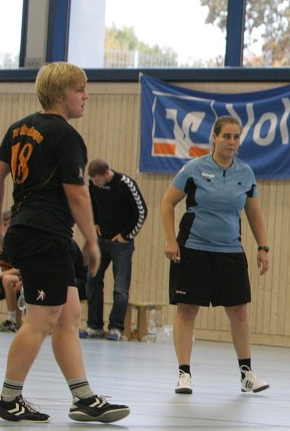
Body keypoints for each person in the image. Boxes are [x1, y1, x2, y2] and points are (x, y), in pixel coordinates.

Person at [0, 62, 130, 424]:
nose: (86, 96)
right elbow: (78, 193)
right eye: (80, 89)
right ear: (59, 93)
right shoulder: (65, 135)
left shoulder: (19, 128)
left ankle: (83, 397)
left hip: (33, 229)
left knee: (68, 314)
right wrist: (92, 241)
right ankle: (8, 398)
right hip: (44, 233)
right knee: (40, 320)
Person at [160, 115, 271, 396]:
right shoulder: (195, 169)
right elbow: (167, 202)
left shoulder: (245, 173)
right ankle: (184, 374)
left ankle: (246, 374)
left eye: (236, 137)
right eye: (226, 136)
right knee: (187, 311)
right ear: (214, 137)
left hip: (230, 251)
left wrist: (263, 246)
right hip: (193, 249)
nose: (232, 142)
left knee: (240, 312)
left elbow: (253, 212)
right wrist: (171, 240)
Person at [82, 159, 148, 340]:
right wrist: (95, 222)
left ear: (106, 174)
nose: (95, 184)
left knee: (120, 288)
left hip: (122, 244)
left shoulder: (125, 184)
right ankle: (94, 325)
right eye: (93, 181)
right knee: (93, 281)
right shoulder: (93, 184)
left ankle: (116, 327)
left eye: (97, 180)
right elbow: (91, 202)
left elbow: (142, 212)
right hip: (101, 241)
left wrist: (126, 235)